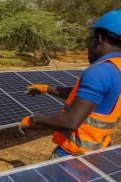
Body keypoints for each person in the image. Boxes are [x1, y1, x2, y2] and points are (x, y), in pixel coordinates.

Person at [19, 10, 121, 158]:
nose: (87, 44)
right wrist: (46, 88)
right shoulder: (116, 68)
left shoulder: (100, 72)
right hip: (100, 149)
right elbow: (87, 98)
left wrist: (34, 119)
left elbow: (70, 121)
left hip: (74, 155)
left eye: (89, 38)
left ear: (98, 39)